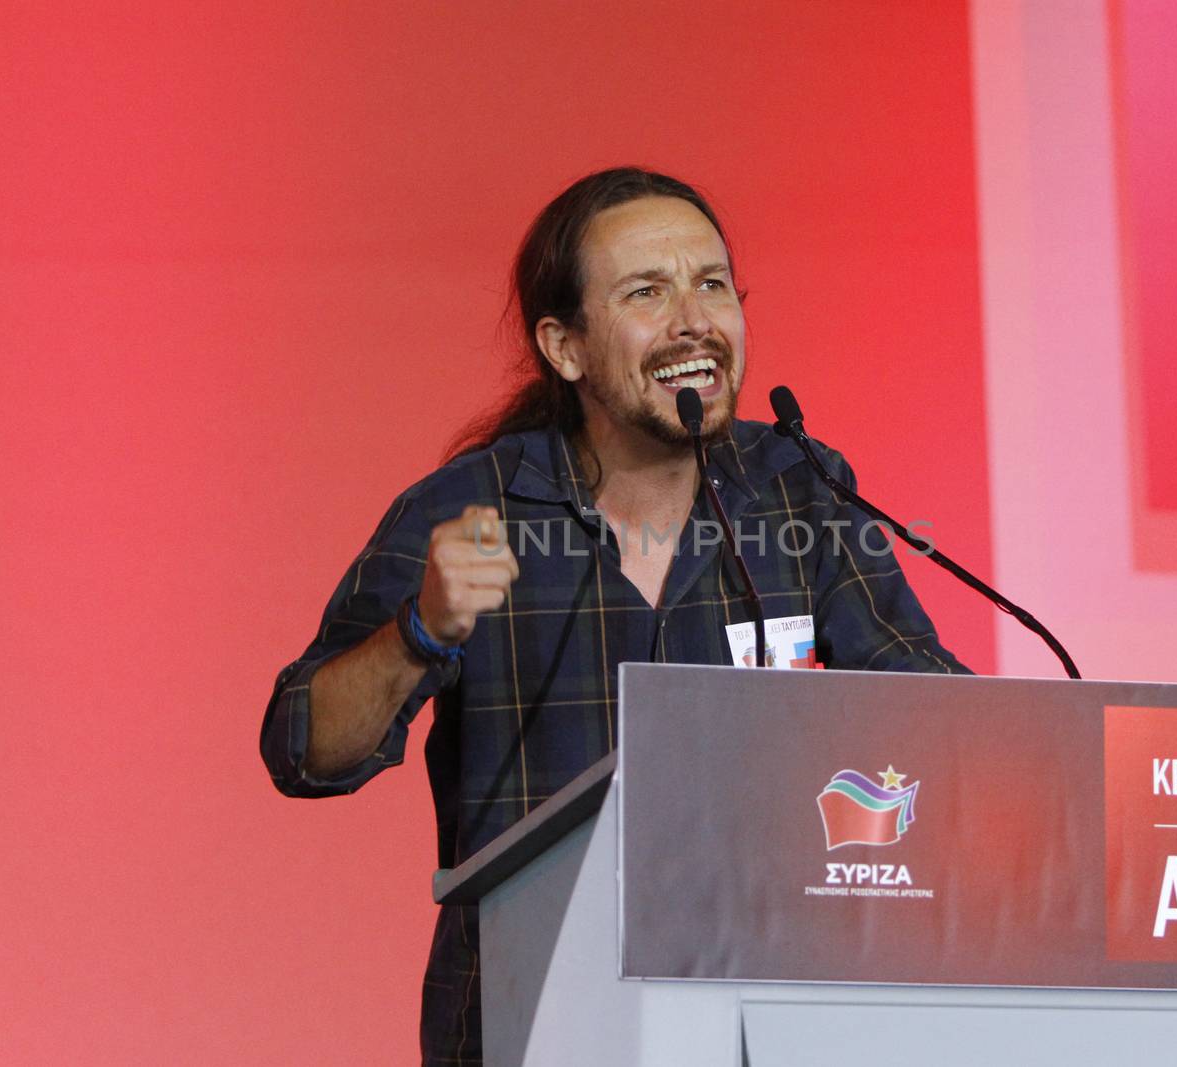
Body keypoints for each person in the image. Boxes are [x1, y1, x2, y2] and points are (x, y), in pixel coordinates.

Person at [260, 167, 967, 1065]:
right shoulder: (475, 505)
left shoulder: (797, 488)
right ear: (565, 348)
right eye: (647, 292)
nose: (693, 321)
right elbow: (303, 747)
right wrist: (421, 630)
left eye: (712, 284)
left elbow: (937, 712)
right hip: (535, 1019)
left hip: (767, 1018)